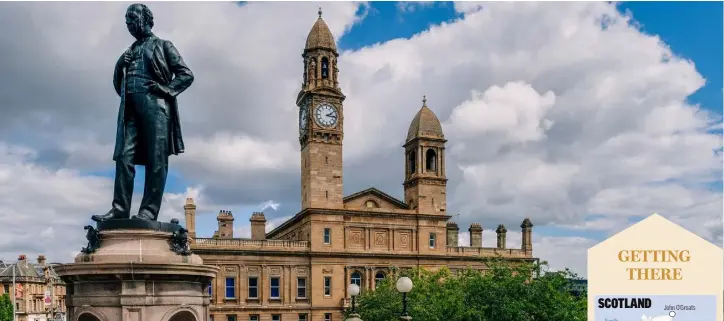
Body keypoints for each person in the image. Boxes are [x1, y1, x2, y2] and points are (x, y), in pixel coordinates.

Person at [92, 3, 194, 222]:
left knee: (156, 159)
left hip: (156, 107)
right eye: (126, 20)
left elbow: (186, 75)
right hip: (129, 109)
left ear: (145, 19)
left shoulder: (164, 45)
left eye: (131, 18)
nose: (128, 23)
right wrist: (120, 65)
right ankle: (120, 208)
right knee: (123, 157)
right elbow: (118, 85)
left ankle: (148, 211)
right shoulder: (129, 51)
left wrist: (166, 90)